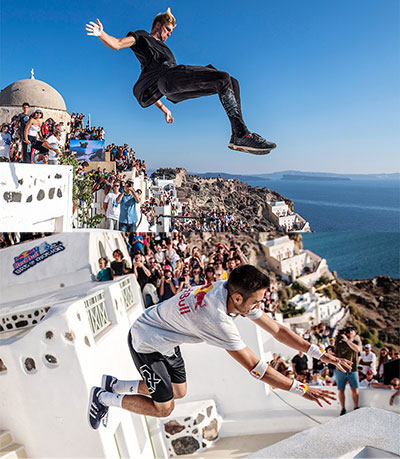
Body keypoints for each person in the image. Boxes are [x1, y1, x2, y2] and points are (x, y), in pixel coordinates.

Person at [88, 265, 352, 429]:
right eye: (257, 301)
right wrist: (302, 390)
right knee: (164, 407)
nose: (259, 306)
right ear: (238, 297)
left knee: (177, 391)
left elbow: (279, 330)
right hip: (147, 341)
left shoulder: (228, 291)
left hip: (167, 335)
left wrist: (319, 353)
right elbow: (256, 368)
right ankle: (102, 397)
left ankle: (116, 384)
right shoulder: (218, 319)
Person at [85, 9, 276, 155]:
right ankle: (241, 135)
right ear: (158, 25)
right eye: (167, 30)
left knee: (230, 82)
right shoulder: (143, 38)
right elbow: (117, 44)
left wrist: (165, 110)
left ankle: (239, 134)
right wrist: (102, 34)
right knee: (224, 77)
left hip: (174, 92)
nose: (169, 35)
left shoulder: (163, 50)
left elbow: (154, 91)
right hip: (170, 79)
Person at [334, 326, 362, 416]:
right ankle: (343, 408)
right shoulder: (339, 342)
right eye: (348, 331)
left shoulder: (356, 342)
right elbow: (335, 353)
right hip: (340, 369)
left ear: (355, 333)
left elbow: (358, 349)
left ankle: (356, 407)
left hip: (352, 369)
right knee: (341, 390)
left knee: (355, 389)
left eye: (352, 331)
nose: (350, 332)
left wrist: (347, 341)